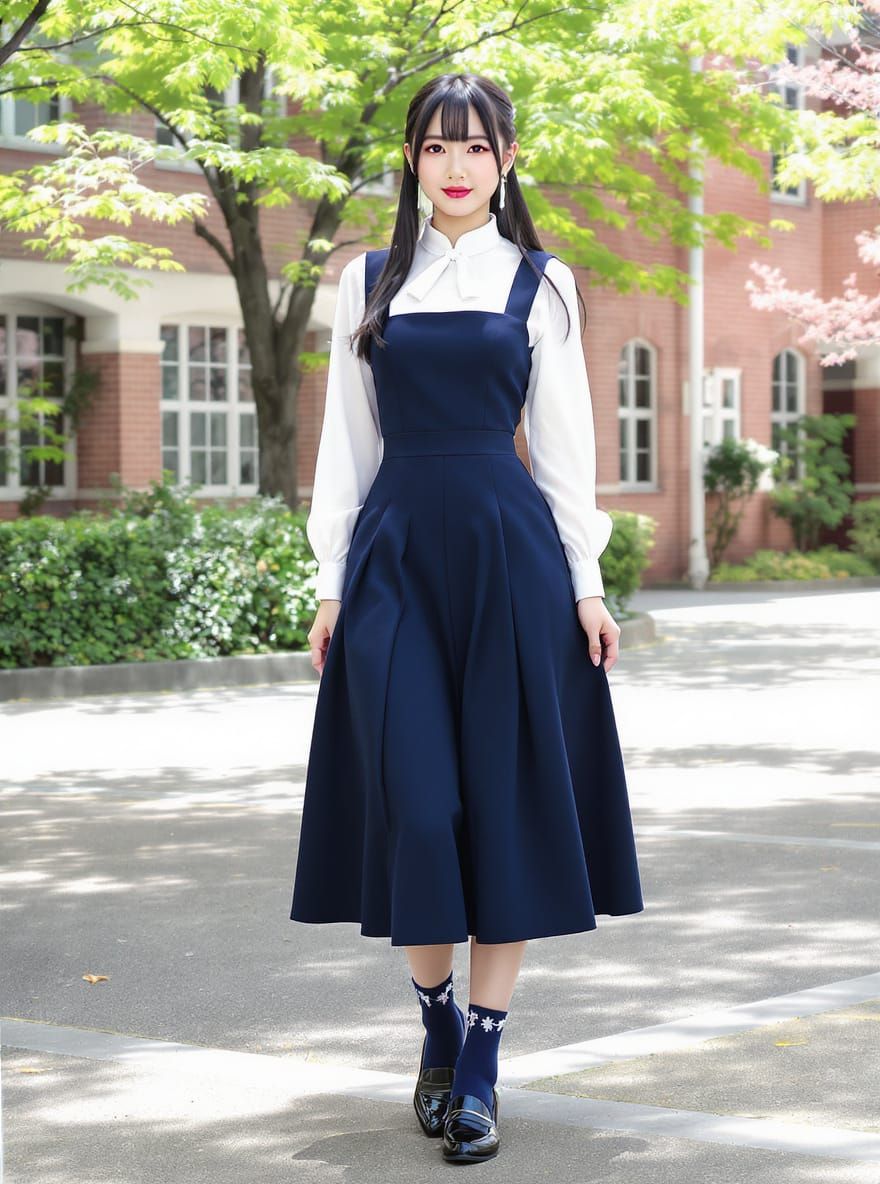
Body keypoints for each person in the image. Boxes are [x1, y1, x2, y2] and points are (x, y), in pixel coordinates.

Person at [289, 70, 644, 1164]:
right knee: (422, 806)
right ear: (411, 159)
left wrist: (585, 579)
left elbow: (569, 441)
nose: (456, 166)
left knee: (502, 806)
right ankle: (434, 1018)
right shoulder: (366, 280)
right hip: (395, 555)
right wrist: (330, 581)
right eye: (437, 147)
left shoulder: (543, 281)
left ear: (506, 160)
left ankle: (477, 1056)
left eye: (476, 148)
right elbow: (345, 444)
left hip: (509, 560)